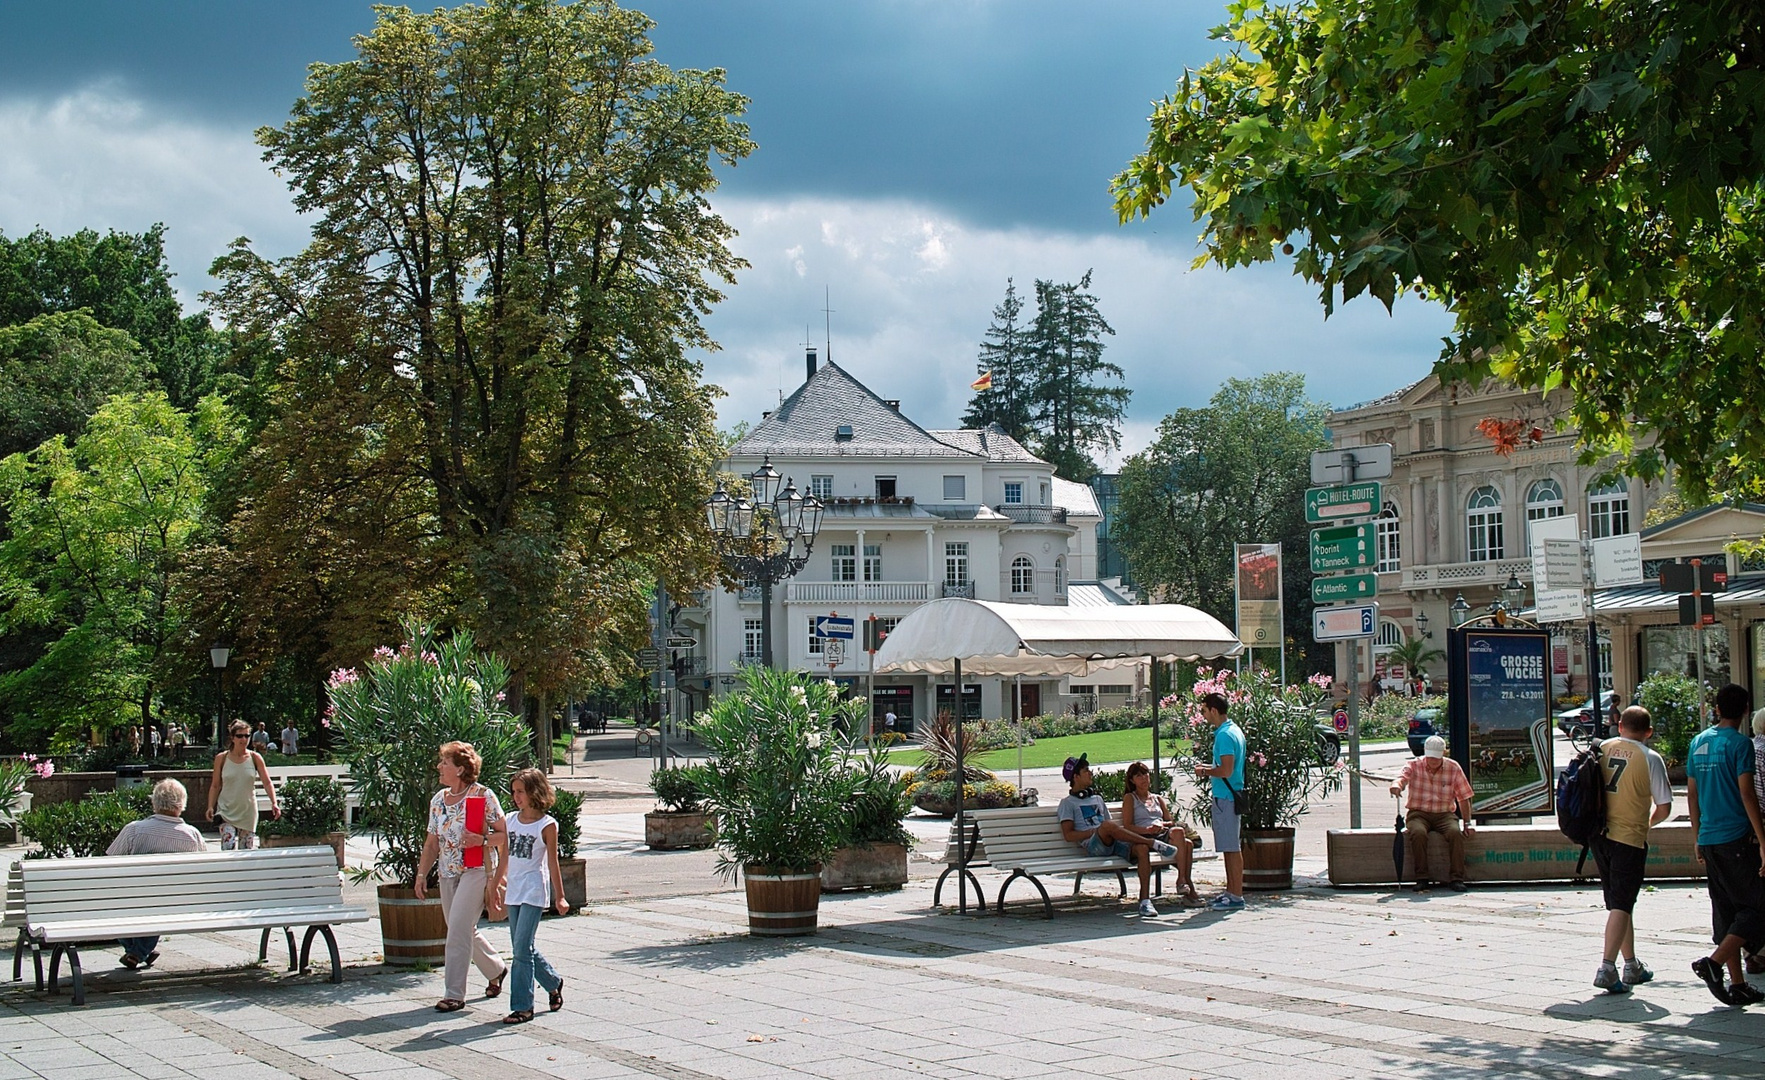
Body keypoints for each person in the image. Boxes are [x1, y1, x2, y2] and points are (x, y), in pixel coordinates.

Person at [415, 740, 509, 1013]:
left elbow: (505, 835)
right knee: (462, 928)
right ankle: (496, 969)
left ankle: (454, 993)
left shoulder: (482, 796)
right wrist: (422, 874)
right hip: (447, 872)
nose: (439, 767)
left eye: (444, 762)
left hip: (476, 870)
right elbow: (432, 843)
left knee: (456, 928)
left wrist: (482, 840)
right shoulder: (438, 800)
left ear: (460, 769)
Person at [1687, 683, 1765, 1006]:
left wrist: (1696, 837)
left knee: (1725, 910)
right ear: (1746, 710)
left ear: (1716, 708)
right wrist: (1763, 841)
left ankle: (1737, 984)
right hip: (1736, 838)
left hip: (1709, 839)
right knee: (1759, 907)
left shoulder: (1698, 742)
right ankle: (1715, 963)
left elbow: (1692, 794)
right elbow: (1747, 793)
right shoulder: (1740, 745)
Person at [1590, 707, 1673, 994]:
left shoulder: (1602, 748)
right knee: (1622, 903)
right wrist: (1647, 824)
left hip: (1600, 835)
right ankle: (1607, 967)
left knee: (1618, 902)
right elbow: (1664, 807)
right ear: (1649, 731)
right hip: (1630, 839)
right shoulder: (1651, 758)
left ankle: (1631, 964)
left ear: (1620, 725)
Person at [1056, 753, 1178, 918]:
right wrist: (1095, 831)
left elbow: (1111, 826)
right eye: (1086, 771)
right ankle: (1153, 844)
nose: (1091, 773)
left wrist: (1109, 831)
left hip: (1111, 840)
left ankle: (1144, 901)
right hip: (1093, 846)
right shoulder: (1067, 803)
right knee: (1107, 826)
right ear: (1076, 777)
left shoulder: (1097, 799)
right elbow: (1069, 835)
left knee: (1140, 848)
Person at [107, 779, 205, 968]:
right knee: (159, 901)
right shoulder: (193, 835)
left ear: (155, 803)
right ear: (182, 804)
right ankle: (141, 951)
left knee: (119, 902)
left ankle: (136, 952)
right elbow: (201, 873)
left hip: (134, 899)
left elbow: (109, 863)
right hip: (178, 902)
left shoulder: (134, 830)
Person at [497, 768, 569, 1024]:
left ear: (535, 792)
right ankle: (553, 981)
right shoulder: (510, 820)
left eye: (521, 791)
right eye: (514, 791)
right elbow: (504, 855)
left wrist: (560, 897)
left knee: (521, 950)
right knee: (522, 947)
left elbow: (553, 863)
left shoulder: (547, 825)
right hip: (514, 891)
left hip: (534, 890)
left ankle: (522, 1006)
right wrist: (495, 884)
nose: (516, 797)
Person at [1388, 735, 1475, 892]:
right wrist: (1396, 785)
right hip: (1418, 813)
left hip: (1444, 813)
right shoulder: (1414, 765)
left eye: (1436, 758)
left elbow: (1464, 797)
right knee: (1418, 833)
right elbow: (1402, 777)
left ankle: (1457, 878)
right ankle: (1422, 877)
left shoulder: (1453, 767)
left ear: (1443, 754)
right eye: (1430, 758)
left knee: (1455, 833)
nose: (1433, 762)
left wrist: (1467, 823)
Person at [1194, 691, 1246, 910]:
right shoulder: (1234, 730)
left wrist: (1206, 772)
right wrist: (1208, 768)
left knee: (1231, 848)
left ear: (1214, 710)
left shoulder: (1224, 735)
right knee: (1229, 847)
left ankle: (1235, 895)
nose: (1204, 716)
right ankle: (1231, 891)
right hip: (1231, 794)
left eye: (1204, 711)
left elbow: (1226, 769)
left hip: (1225, 797)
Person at [1121, 761, 1197, 902]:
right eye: (1138, 776)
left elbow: (1170, 821)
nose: (1143, 778)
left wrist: (1161, 824)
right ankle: (1188, 887)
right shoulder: (1130, 798)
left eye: (1145, 774)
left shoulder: (1157, 798)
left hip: (1161, 834)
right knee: (1187, 845)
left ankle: (1181, 880)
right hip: (1144, 836)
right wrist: (1147, 829)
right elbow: (1128, 826)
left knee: (1180, 833)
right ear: (1132, 780)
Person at [206, 720, 280, 849]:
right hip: (226, 810)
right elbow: (215, 785)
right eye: (240, 736)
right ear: (232, 738)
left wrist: (274, 802)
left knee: (246, 852)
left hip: (248, 811)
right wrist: (210, 806)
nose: (244, 739)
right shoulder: (221, 758)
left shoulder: (255, 757)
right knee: (228, 848)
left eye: (247, 735)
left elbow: (267, 782)